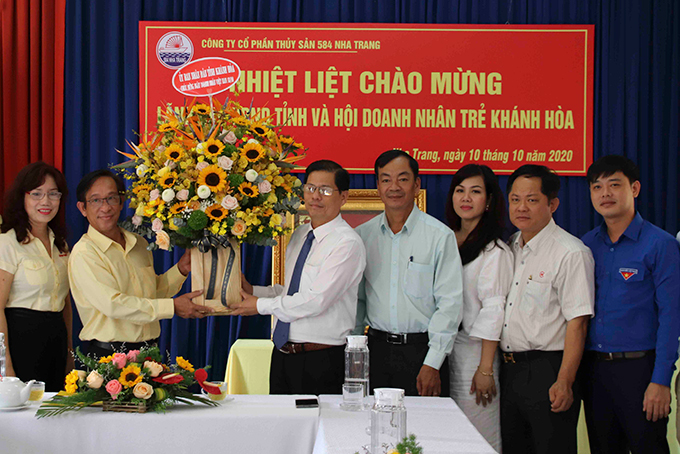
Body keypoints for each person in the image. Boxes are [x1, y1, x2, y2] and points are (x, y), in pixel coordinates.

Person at [233, 160, 366, 395]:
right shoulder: (301, 234)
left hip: (321, 359)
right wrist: (253, 291)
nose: (315, 196)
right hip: (282, 354)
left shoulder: (347, 243)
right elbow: (291, 292)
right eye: (310, 188)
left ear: (343, 197)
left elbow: (316, 300)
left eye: (325, 190)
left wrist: (259, 306)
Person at [580, 155, 680, 453]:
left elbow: (671, 315)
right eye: (597, 187)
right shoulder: (586, 245)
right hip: (595, 372)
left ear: (634, 188)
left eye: (614, 185)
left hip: (641, 371)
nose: (605, 193)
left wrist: (661, 380)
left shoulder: (660, 244)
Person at [500, 164, 594, 454]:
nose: (521, 207)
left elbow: (578, 323)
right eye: (515, 199)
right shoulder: (508, 247)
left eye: (532, 199)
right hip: (509, 371)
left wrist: (564, 381)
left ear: (552, 204)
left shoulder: (570, 252)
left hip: (548, 371)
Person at [354, 150, 463, 397]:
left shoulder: (439, 236)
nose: (394, 187)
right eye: (386, 179)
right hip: (376, 352)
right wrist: (356, 352)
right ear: (378, 186)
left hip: (422, 353)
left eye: (403, 179)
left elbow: (450, 304)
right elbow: (358, 301)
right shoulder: (362, 236)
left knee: (423, 422)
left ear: (416, 184)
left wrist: (433, 362)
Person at [68, 169, 210, 358]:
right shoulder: (85, 253)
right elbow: (113, 304)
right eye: (96, 200)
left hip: (150, 352)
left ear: (121, 202)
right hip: (108, 356)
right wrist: (172, 307)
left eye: (111, 198)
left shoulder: (139, 243)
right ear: (82, 208)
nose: (105, 207)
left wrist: (181, 269)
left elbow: (152, 294)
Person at [444, 164, 512, 452]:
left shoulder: (495, 250)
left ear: (489, 200)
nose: (466, 198)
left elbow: (493, 311)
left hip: (476, 354)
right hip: (446, 351)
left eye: (475, 191)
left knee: (478, 435)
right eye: (460, 190)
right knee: (448, 436)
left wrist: (485, 369)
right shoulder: (445, 239)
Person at [0, 162, 73, 391]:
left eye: (53, 194)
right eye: (37, 194)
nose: (46, 201)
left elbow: (66, 303)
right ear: (22, 197)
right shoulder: (7, 242)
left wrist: (69, 353)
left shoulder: (61, 244)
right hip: (20, 340)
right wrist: (5, 366)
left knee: (55, 408)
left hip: (56, 340)